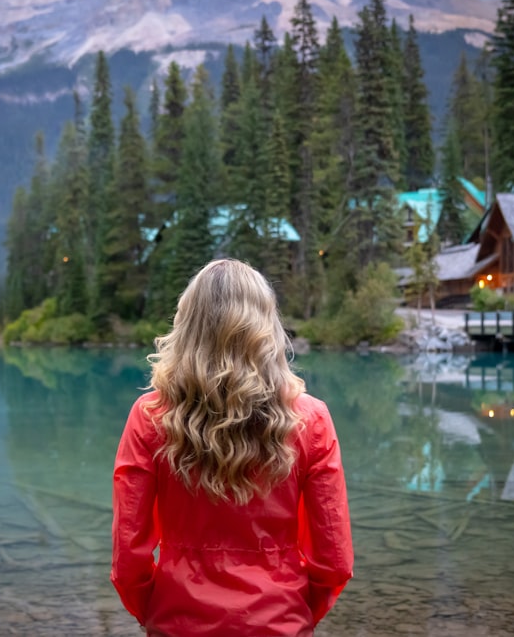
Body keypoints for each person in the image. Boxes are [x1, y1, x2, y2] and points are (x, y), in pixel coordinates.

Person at [111, 259, 353, 636]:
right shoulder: (311, 418)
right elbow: (335, 561)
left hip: (178, 621)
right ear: (267, 328)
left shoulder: (150, 417)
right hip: (279, 621)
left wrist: (156, 612)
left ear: (187, 326)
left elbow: (128, 557)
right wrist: (293, 612)